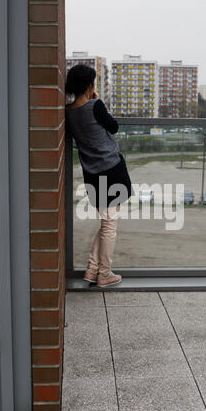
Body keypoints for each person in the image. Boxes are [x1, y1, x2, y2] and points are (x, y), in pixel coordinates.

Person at [65, 64, 134, 287]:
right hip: (111, 169)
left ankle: (93, 269)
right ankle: (104, 273)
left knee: (107, 222)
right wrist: (96, 100)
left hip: (92, 174)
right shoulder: (96, 105)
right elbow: (113, 127)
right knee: (110, 223)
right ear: (89, 86)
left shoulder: (68, 111)